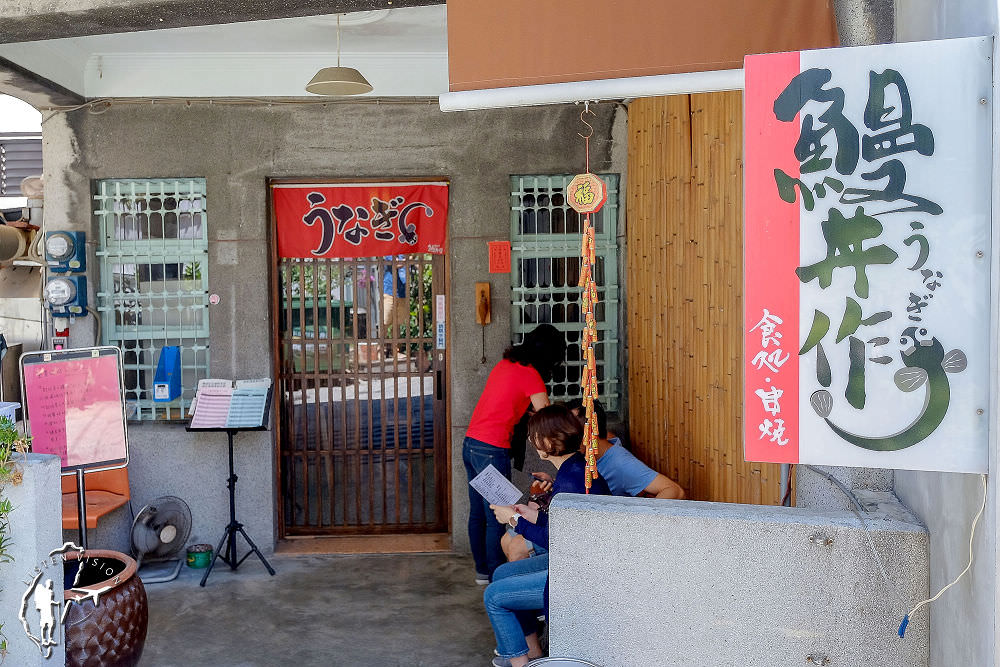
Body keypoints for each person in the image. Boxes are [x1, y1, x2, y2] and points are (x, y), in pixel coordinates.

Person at [485, 404, 610, 667]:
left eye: (534, 436)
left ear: (548, 441)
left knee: (494, 596)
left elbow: (557, 540)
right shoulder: (574, 469)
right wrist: (531, 516)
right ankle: (533, 654)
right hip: (578, 560)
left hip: (576, 573)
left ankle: (519, 662)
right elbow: (566, 528)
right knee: (501, 574)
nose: (530, 441)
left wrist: (514, 519)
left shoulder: (571, 480)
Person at [501, 398, 685, 562]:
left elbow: (674, 490)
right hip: (576, 531)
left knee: (516, 546)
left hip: (590, 542)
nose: (563, 432)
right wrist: (554, 481)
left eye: (567, 426)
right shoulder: (579, 461)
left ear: (589, 431)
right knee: (508, 538)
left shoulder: (620, 462)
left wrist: (634, 524)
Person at [464, 323, 566, 583]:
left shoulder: (506, 363)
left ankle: (482, 572)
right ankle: (499, 577)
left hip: (472, 443)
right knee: (498, 515)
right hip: (491, 448)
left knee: (478, 512)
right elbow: (548, 418)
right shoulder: (531, 374)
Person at [381, 256, 408, 357]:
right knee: (385, 321)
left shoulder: (405, 252)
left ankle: (395, 350)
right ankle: (381, 349)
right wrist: (408, 259)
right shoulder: (390, 250)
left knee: (398, 323)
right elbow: (395, 264)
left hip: (402, 292)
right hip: (389, 291)